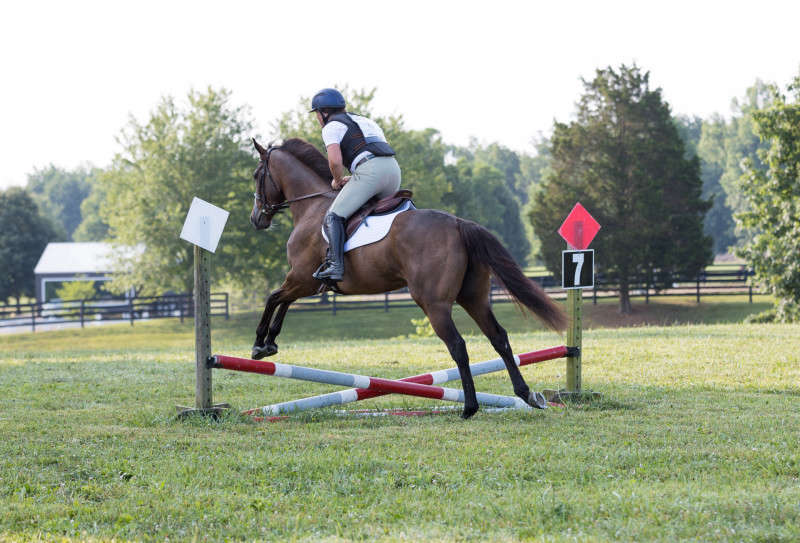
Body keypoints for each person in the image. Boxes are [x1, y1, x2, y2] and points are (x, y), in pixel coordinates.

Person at [310, 88, 402, 282]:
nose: (317, 118)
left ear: (323, 113)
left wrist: (337, 179)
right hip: (393, 170)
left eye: (317, 114)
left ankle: (335, 266)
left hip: (370, 172)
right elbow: (373, 152)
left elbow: (335, 162)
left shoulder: (330, 127)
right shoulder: (366, 121)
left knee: (333, 216)